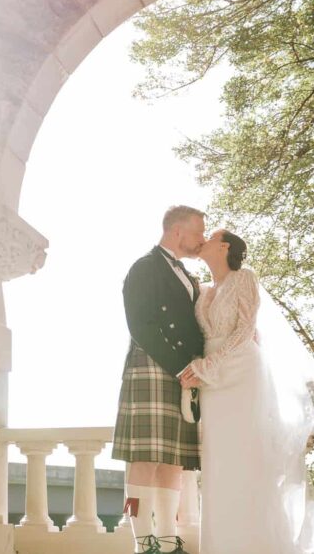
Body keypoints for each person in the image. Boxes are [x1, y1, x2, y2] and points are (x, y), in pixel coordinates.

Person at [180, 230, 314, 554]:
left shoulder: (245, 278)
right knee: (219, 465)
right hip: (214, 385)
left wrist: (208, 365)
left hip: (242, 374)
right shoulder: (203, 288)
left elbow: (245, 330)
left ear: (224, 246)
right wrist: (202, 368)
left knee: (249, 460)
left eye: (210, 236)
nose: (204, 240)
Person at [112, 205, 207, 554]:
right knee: (143, 459)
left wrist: (195, 367)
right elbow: (141, 325)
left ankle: (167, 541)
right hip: (153, 364)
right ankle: (140, 541)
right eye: (198, 232)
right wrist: (179, 366)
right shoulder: (145, 267)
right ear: (177, 231)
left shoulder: (185, 273)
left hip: (182, 370)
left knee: (173, 460)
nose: (202, 239)